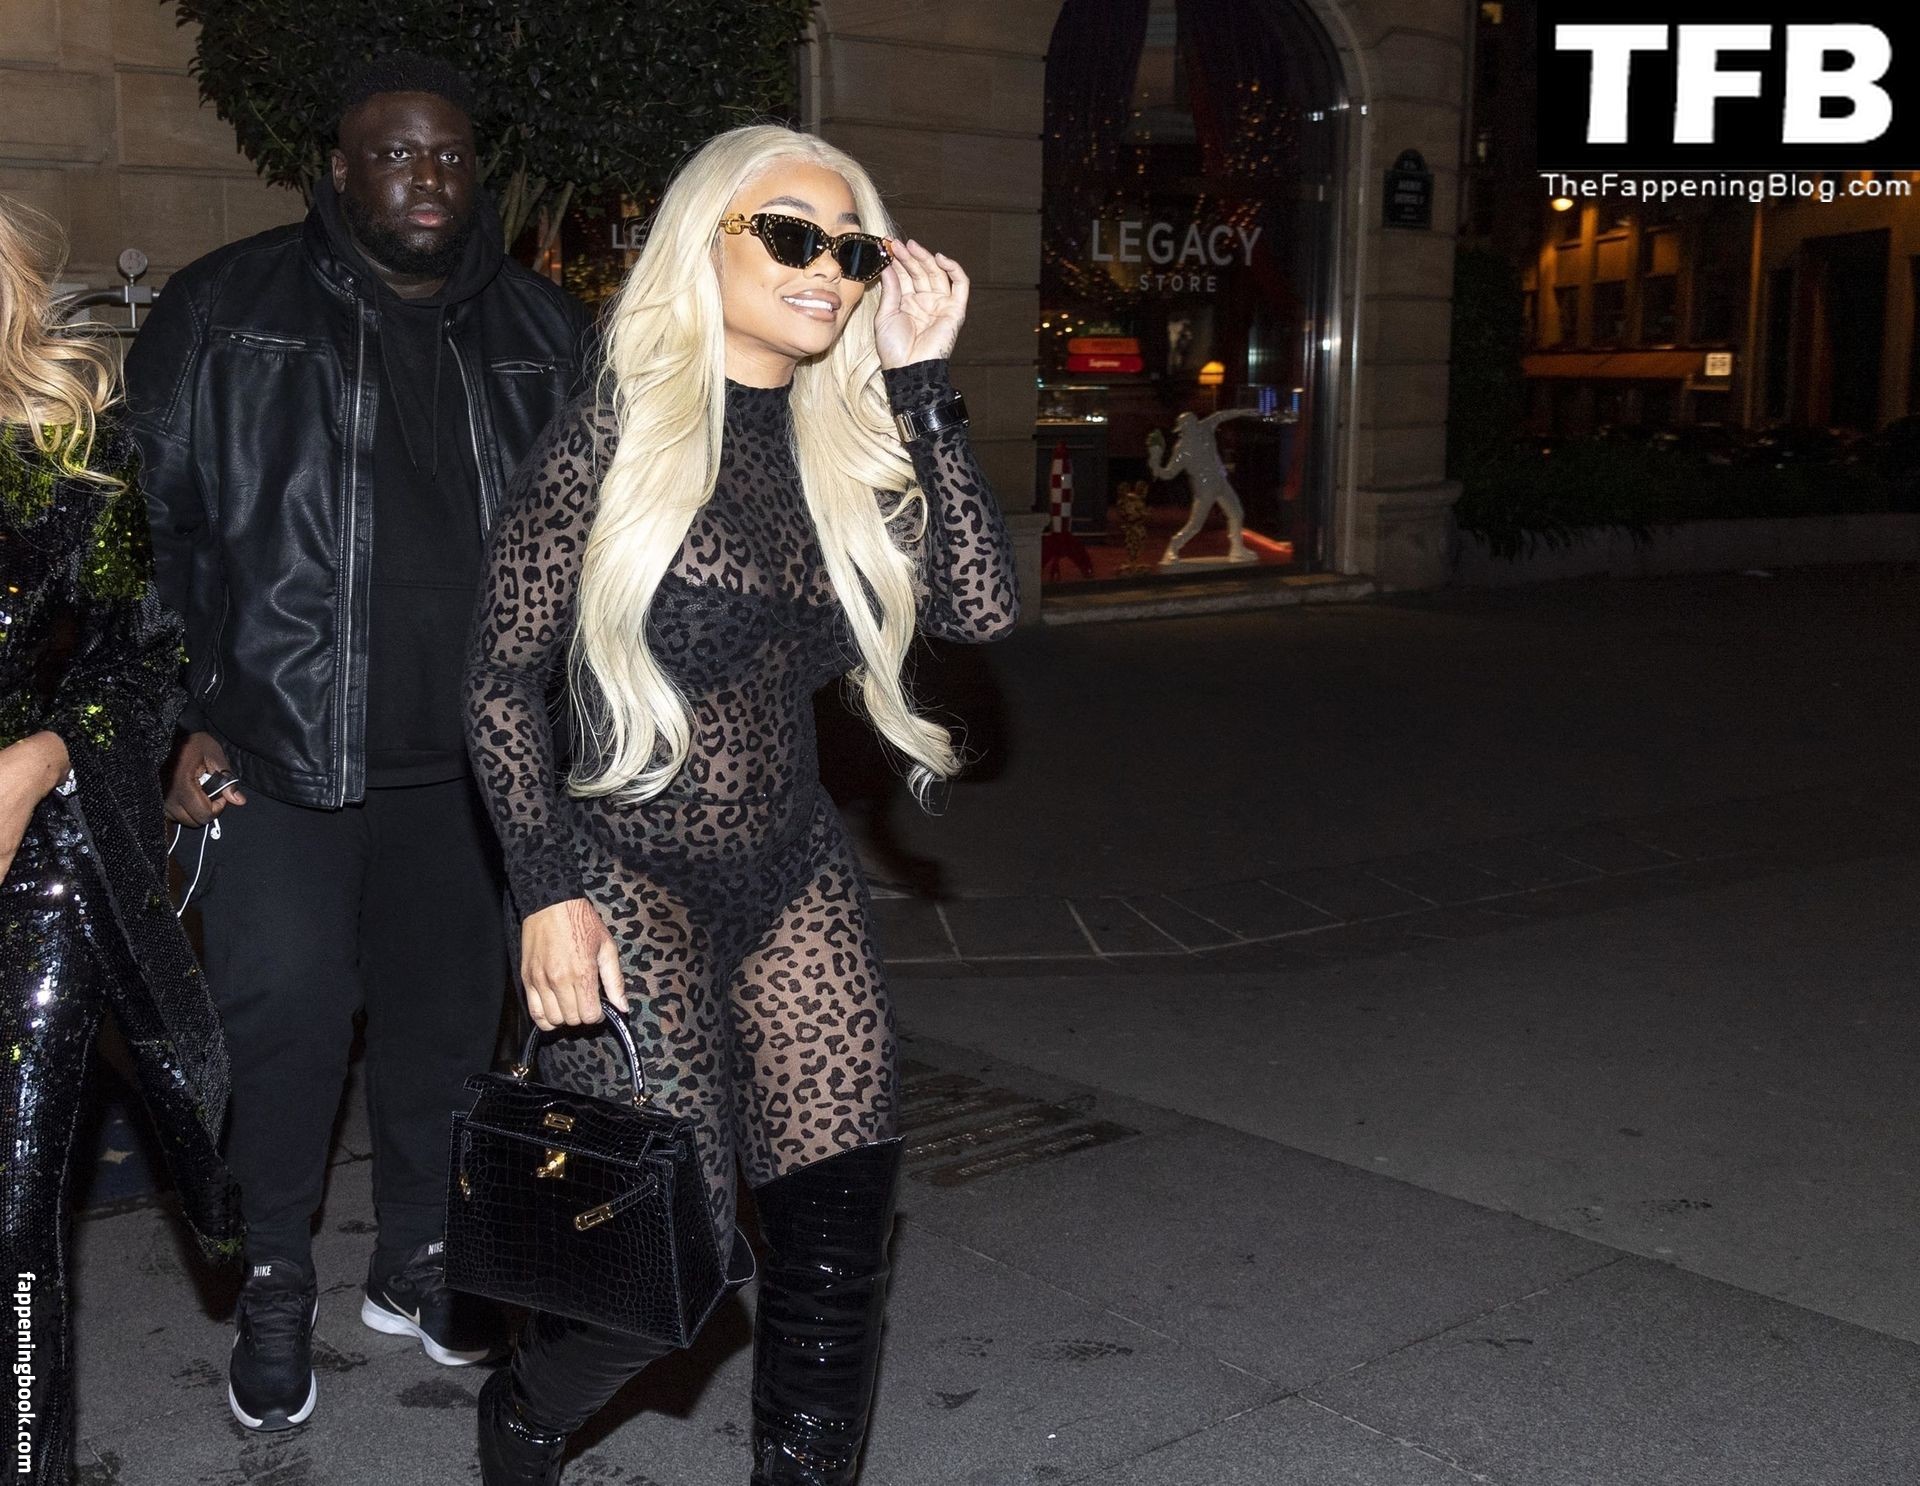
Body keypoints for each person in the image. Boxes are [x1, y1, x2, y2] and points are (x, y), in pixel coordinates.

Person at [464, 124, 1019, 1484]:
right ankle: (525, 1415)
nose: (825, 268)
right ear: (704, 243)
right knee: (671, 1256)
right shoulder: (618, 430)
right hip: (623, 870)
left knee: (837, 1243)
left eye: (853, 248)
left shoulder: (845, 445)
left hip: (789, 871)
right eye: (790, 235)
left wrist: (923, 381)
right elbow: (496, 681)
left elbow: (980, 608)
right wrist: (546, 892)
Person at [121, 54, 593, 1432]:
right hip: (274, 754)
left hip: (474, 767)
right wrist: (173, 719)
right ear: (339, 170)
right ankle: (275, 1283)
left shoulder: (546, 331)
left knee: (447, 1028)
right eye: (394, 153)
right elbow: (148, 533)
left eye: (448, 153)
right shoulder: (226, 309)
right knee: (284, 1023)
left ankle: (418, 1256)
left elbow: (600, 550)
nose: (426, 176)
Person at [0, 198, 239, 1484]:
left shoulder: (74, 462)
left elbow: (142, 664)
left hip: (32, 876)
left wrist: (38, 760)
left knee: (10, 1215)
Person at [1147, 406, 1264, 563]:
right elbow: (1170, 473)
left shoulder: (1206, 428)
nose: (1194, 427)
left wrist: (1241, 412)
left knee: (1236, 513)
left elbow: (1220, 415)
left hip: (1220, 479)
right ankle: (1173, 546)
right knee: (1196, 524)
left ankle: (1237, 548)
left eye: (1194, 424)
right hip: (1204, 487)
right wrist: (1157, 468)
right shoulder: (1182, 449)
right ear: (1183, 429)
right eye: (1189, 426)